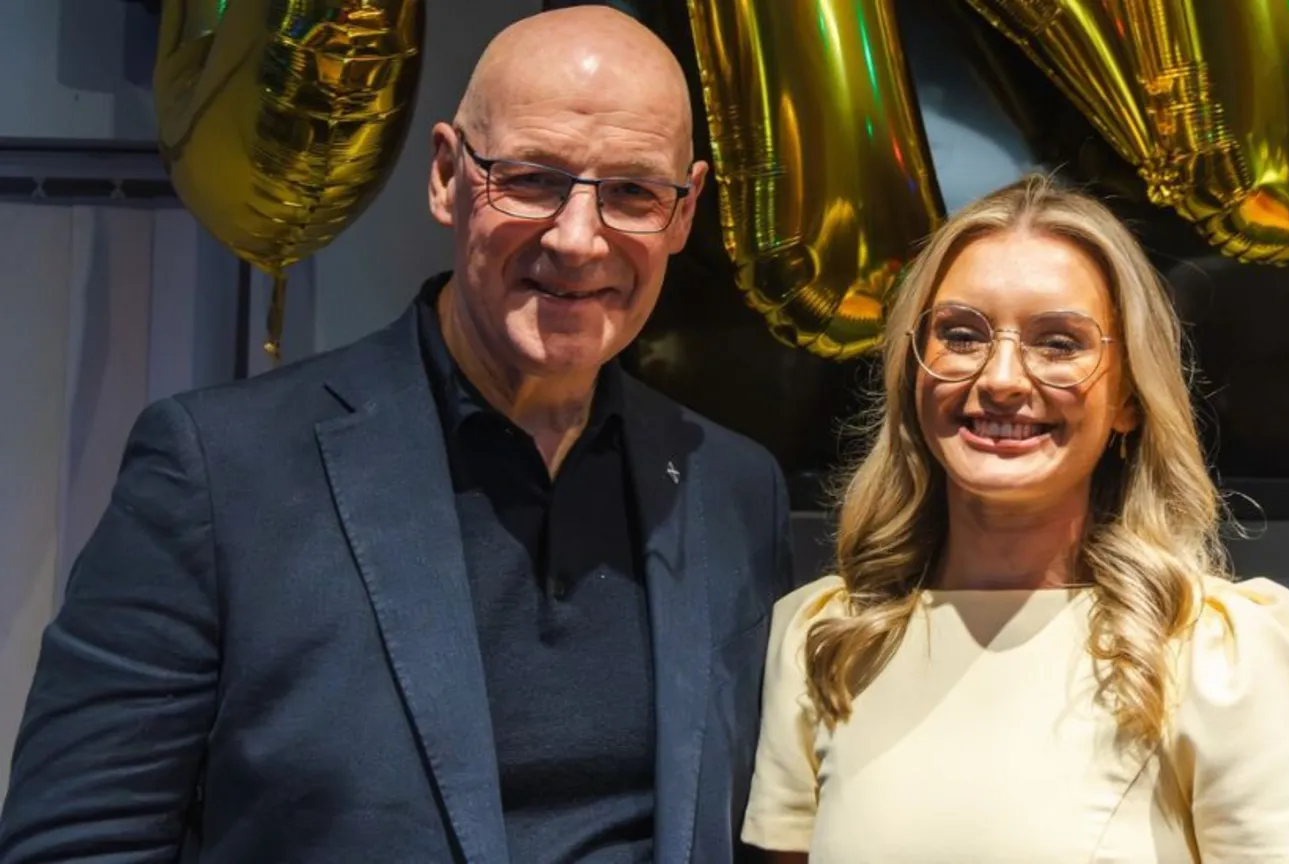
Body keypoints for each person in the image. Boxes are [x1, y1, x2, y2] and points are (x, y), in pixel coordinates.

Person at [0, 6, 793, 863]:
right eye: (532, 179)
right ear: (448, 175)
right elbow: (78, 841)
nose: (577, 239)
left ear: (683, 212)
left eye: (633, 193)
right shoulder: (221, 473)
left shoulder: (735, 490)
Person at [741, 175, 1289, 862]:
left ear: (1128, 397)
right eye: (961, 334)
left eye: (1058, 343)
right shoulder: (825, 639)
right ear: (912, 371)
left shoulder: (1225, 656)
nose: (1001, 379)